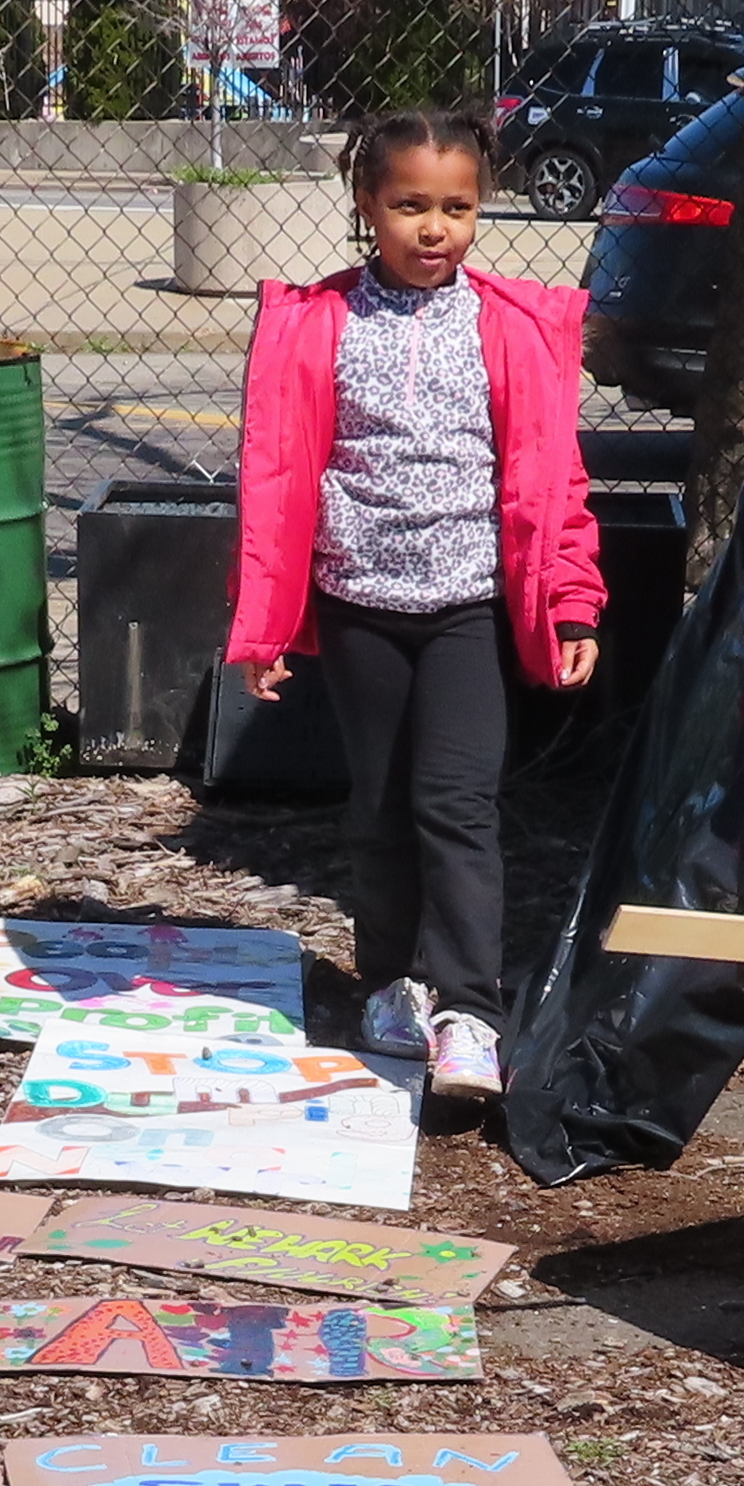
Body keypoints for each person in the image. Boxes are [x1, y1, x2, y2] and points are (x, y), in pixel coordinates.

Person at [224, 98, 604, 1103]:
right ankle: (392, 986)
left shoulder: (512, 327)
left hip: (471, 607)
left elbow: (555, 479)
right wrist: (264, 627)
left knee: (457, 806)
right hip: (360, 607)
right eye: (410, 207)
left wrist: (571, 604)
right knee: (381, 807)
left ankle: (471, 1013)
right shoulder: (321, 324)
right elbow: (275, 481)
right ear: (366, 204)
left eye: (458, 208)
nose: (435, 229)